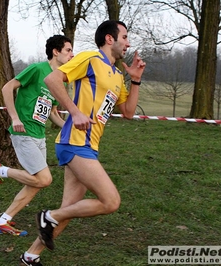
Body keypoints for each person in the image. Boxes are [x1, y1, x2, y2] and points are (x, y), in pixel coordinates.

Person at [18, 20, 146, 266]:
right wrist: (74, 111)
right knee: (110, 201)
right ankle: (49, 216)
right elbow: (53, 80)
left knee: (71, 207)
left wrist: (136, 80)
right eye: (125, 37)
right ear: (110, 39)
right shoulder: (90, 59)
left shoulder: (118, 76)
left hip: (89, 146)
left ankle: (30, 256)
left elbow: (128, 112)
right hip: (74, 143)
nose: (128, 43)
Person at [0, 35, 74, 237]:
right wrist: (14, 117)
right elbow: (7, 87)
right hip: (23, 132)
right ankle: (0, 170)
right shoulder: (37, 69)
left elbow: (51, 112)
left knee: (36, 183)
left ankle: (3, 221)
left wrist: (70, 126)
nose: (72, 54)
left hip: (39, 134)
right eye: (68, 50)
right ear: (56, 52)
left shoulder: (60, 80)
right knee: (44, 179)